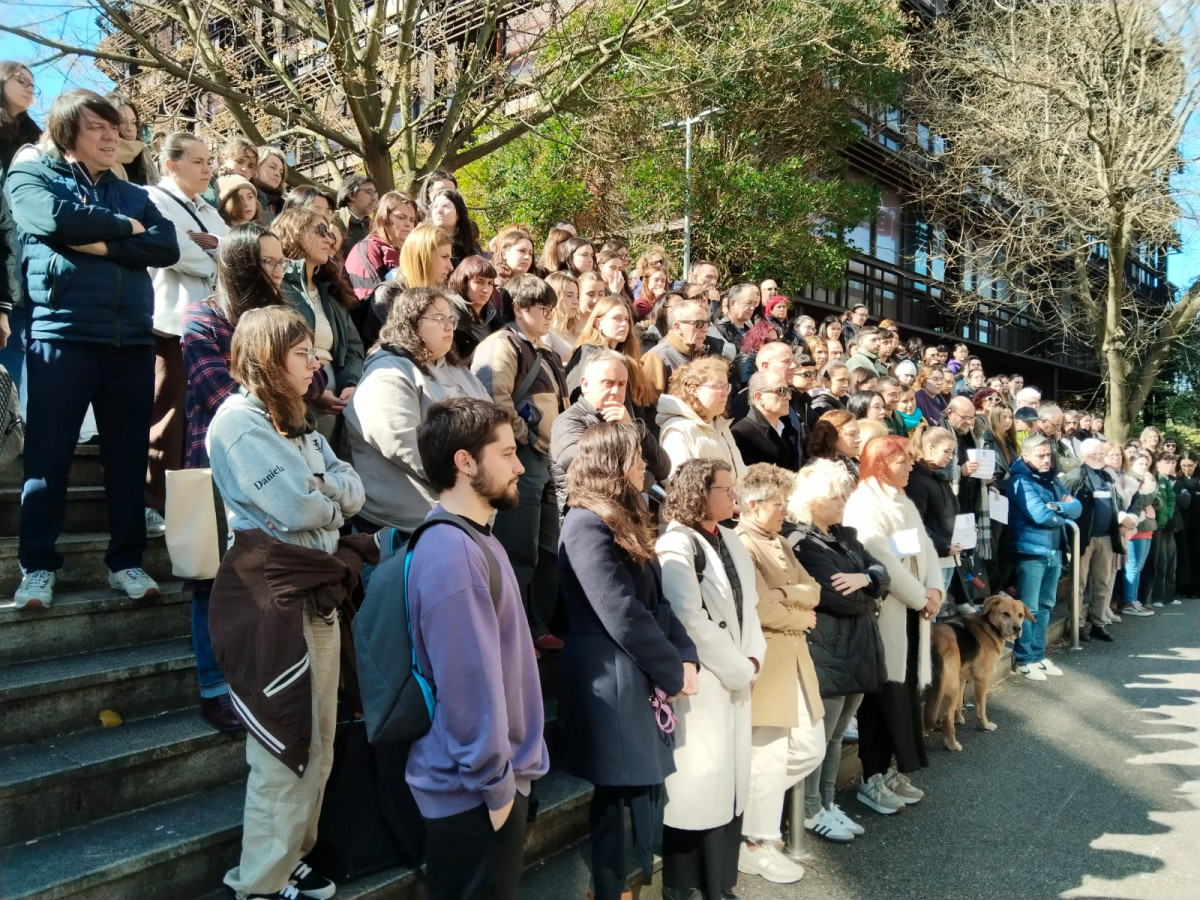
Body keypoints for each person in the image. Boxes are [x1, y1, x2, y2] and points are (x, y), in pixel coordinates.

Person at [207, 306, 365, 900]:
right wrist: (326, 495)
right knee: (284, 743)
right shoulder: (238, 423)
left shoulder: (297, 418)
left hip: (314, 590)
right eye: (302, 354)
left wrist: (322, 491)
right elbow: (299, 507)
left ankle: (292, 855)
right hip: (270, 597)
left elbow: (352, 488)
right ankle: (259, 884)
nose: (317, 363)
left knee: (319, 740)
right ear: (269, 360)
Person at [7, 89, 180, 609]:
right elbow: (55, 221)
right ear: (67, 133)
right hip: (61, 336)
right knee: (48, 460)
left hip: (131, 339)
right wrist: (127, 232)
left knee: (127, 462)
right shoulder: (31, 177)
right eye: (97, 127)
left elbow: (166, 245)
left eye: (115, 127)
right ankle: (37, 567)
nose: (112, 136)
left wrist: (101, 238)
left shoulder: (131, 192)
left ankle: (126, 562)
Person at [403, 397, 550, 900]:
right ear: (465, 462)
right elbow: (468, 687)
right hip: (473, 796)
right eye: (506, 454)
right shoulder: (453, 552)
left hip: (485, 786)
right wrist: (497, 789)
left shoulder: (475, 539)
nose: (520, 466)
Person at [182, 224, 325, 731]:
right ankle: (213, 687)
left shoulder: (283, 315)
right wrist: (282, 385)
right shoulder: (202, 318)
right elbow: (218, 393)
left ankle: (268, 680)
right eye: (267, 261)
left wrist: (292, 373)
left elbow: (315, 380)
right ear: (240, 263)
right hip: (219, 460)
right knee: (215, 577)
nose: (278, 270)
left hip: (288, 458)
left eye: (280, 260)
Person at [558, 422, 699, 900]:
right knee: (620, 795)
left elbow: (657, 603)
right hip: (609, 676)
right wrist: (672, 670)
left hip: (631, 668)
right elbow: (620, 611)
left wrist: (685, 655)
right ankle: (611, 890)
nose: (643, 465)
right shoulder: (585, 522)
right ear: (613, 463)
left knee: (637, 791)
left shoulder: (621, 516)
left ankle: (625, 886)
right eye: (636, 457)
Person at [656, 459, 766, 900]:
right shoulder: (676, 544)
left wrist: (755, 659)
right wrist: (739, 668)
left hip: (737, 676)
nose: (734, 495)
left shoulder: (730, 539)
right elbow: (689, 618)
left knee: (728, 787)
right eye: (726, 488)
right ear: (700, 494)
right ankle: (684, 886)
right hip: (706, 682)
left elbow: (749, 607)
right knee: (699, 788)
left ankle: (719, 884)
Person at [786, 459, 888, 843]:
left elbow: (880, 571)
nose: (844, 502)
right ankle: (811, 810)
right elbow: (834, 596)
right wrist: (872, 589)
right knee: (819, 738)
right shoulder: (801, 540)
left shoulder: (843, 536)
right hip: (827, 649)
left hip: (855, 647)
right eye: (835, 497)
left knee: (836, 735)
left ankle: (826, 802)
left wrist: (866, 578)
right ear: (812, 500)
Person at [734, 463, 824, 885]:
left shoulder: (781, 542)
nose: (785, 511)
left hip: (794, 660)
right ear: (753, 506)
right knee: (767, 756)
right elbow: (760, 609)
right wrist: (800, 616)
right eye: (778, 504)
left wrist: (787, 594)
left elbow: (814, 590)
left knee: (809, 747)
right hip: (769, 662)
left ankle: (741, 816)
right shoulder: (742, 543)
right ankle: (755, 842)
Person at [842, 436, 941, 814]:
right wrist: (921, 597)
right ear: (880, 464)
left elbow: (925, 547)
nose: (911, 466)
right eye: (902, 461)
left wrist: (935, 590)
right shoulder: (865, 504)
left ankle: (886, 771)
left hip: (912, 612)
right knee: (880, 699)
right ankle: (872, 776)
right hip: (889, 615)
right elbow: (882, 560)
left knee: (901, 695)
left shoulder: (901, 499)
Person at [472, 274, 569, 652]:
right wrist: (523, 439)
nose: (549, 315)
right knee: (519, 548)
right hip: (520, 457)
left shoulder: (544, 350)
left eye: (552, 308)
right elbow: (493, 400)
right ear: (519, 309)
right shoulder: (501, 345)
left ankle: (537, 625)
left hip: (545, 457)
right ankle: (513, 629)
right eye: (542, 308)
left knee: (547, 549)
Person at [343, 284, 490, 534]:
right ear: (411, 323)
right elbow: (401, 442)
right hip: (408, 522)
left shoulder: (456, 369)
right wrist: (464, 478)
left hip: (464, 507)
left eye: (451, 320)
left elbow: (492, 419)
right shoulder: (388, 373)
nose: (449, 327)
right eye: (439, 318)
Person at [144, 133, 228, 535]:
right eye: (197, 161)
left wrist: (214, 246)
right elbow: (174, 249)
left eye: (209, 161)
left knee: (201, 418)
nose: (207, 168)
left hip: (212, 324)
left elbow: (235, 250)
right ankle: (154, 501)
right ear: (171, 165)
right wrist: (213, 253)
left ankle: (190, 507)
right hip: (171, 323)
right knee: (168, 413)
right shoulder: (153, 199)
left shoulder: (209, 210)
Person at [550, 349, 669, 513]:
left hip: (622, 516)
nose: (616, 391)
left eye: (622, 384)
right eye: (608, 383)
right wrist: (645, 476)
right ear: (585, 384)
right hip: (586, 515)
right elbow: (593, 470)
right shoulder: (569, 422)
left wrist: (631, 427)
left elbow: (663, 468)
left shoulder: (625, 419)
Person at [274, 207, 364, 424]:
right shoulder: (277, 287)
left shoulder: (331, 292)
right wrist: (313, 392)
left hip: (337, 402)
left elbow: (353, 347)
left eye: (330, 234)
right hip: (296, 400)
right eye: (321, 230)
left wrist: (350, 383)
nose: (329, 240)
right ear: (294, 232)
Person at [1005, 434, 1082, 680]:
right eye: (1041, 455)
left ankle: (1038, 655)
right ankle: (1024, 658)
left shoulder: (1051, 479)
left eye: (1048, 454)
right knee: (1029, 608)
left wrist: (1058, 507)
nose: (1047, 459)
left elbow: (1077, 507)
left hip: (1054, 549)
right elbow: (1039, 515)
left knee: (1046, 605)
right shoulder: (1020, 481)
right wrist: (1063, 511)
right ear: (1026, 456)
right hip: (1031, 552)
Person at [0, 61, 42, 402]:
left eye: (32, 83)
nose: (29, 87)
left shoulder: (37, 141)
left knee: (15, 341)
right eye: (21, 80)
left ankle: (7, 419)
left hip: (26, 249)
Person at [1061, 438, 1130, 641]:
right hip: (1083, 539)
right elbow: (1063, 504)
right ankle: (1077, 626)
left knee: (1103, 583)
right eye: (1094, 454)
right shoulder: (1074, 477)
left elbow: (1118, 503)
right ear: (1083, 456)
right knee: (1079, 584)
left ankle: (1098, 623)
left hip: (1107, 537)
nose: (1099, 457)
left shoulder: (1108, 477)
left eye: (1101, 453)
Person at [657, 356, 746, 479]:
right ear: (694, 389)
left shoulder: (721, 426)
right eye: (718, 386)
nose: (725, 393)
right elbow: (679, 483)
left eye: (726, 386)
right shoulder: (678, 430)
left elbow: (740, 475)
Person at [904, 424, 961, 607]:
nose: (950, 457)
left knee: (939, 607)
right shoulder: (917, 480)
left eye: (952, 452)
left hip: (947, 553)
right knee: (931, 608)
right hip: (934, 555)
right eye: (946, 451)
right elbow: (916, 522)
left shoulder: (938, 477)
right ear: (930, 448)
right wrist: (943, 546)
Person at [732, 370, 803, 470]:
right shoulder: (741, 433)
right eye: (781, 391)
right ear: (759, 397)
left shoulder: (789, 431)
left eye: (789, 391)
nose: (788, 397)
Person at [1119, 449, 1160, 618]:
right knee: (1133, 567)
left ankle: (1134, 600)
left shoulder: (1144, 479)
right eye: (1140, 464)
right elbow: (1145, 500)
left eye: (1146, 464)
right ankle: (1129, 601)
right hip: (1135, 529)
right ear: (1131, 464)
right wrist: (1151, 486)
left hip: (1147, 528)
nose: (1144, 467)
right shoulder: (1129, 480)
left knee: (1139, 567)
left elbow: (1157, 501)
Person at [642, 297, 710, 397]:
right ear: (678, 327)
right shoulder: (657, 357)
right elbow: (648, 403)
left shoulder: (701, 355)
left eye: (707, 323)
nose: (705, 329)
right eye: (699, 323)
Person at [448, 254, 502, 362]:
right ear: (463, 282)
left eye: (490, 283)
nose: (486, 290)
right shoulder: (449, 315)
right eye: (479, 282)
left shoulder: (495, 319)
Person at [106, 94, 157, 185]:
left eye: (133, 122)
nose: (129, 128)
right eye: (122, 122)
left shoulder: (143, 156)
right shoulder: (101, 163)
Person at [426, 187, 481, 269]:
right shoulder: (424, 243)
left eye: (446, 206)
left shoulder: (472, 251)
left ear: (458, 214)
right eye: (435, 206)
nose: (439, 211)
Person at [805, 409, 862, 478]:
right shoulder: (824, 473)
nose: (859, 439)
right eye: (851, 434)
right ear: (832, 437)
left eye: (858, 433)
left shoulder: (852, 464)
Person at [545, 270, 582, 363]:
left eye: (577, 296)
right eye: (569, 296)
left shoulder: (577, 329)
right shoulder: (545, 332)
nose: (576, 301)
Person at [334, 173, 376, 252]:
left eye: (374, 193)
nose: (374, 198)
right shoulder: (335, 221)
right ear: (352, 195)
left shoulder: (374, 226)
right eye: (369, 192)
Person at [252, 146, 287, 221]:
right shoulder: (244, 198)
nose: (277, 174)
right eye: (272, 167)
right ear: (256, 167)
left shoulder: (286, 207)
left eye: (281, 172)